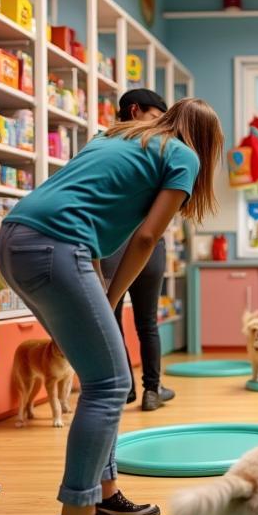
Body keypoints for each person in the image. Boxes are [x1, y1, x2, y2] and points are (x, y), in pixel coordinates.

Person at [0, 98, 223, 515]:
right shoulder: (182, 155)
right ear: (205, 141)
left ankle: (105, 491)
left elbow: (93, 218)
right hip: (55, 245)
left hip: (16, 238)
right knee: (111, 382)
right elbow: (145, 238)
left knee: (99, 373)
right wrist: (112, 296)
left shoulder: (117, 135)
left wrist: (101, 293)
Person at [100, 89, 176, 412]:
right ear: (135, 110)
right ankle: (151, 391)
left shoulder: (100, 144)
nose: (160, 126)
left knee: (112, 316)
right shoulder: (157, 148)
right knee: (147, 322)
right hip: (148, 242)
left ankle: (126, 388)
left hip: (112, 244)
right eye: (156, 117)